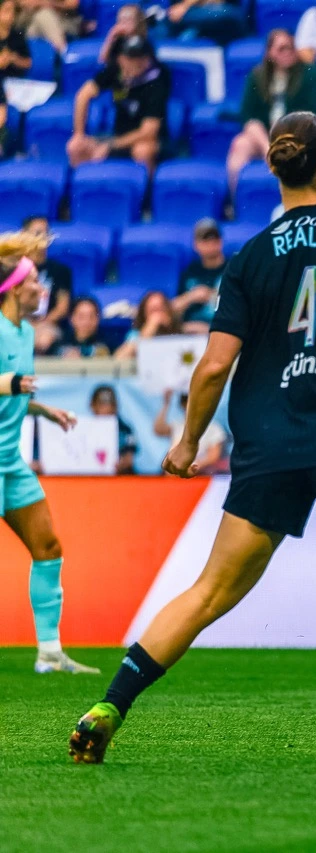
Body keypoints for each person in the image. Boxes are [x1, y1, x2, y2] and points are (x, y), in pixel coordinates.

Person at [69, 111, 316, 771]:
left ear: (276, 172)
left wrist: (187, 442)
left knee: (209, 590)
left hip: (267, 442)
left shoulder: (247, 257)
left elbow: (215, 364)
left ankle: (110, 703)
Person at [0, 232, 92, 674]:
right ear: (16, 288)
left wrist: (42, 409)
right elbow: (5, 383)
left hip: (9, 463)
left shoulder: (21, 331)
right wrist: (13, 385)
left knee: (48, 547)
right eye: (35, 281)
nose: (42, 289)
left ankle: (50, 653)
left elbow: (11, 391)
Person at [228, 30, 316, 199]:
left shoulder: (312, 74)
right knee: (241, 143)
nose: (287, 52)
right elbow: (247, 115)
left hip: (299, 135)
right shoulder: (257, 76)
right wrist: (267, 146)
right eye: (281, 49)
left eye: (290, 48)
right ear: (270, 52)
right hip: (266, 139)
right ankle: (233, 202)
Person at [67, 36, 170, 172]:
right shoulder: (115, 71)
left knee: (143, 150)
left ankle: (147, 191)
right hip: (117, 135)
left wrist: (110, 146)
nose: (136, 62)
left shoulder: (157, 81)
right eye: (130, 58)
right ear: (121, 59)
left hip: (146, 139)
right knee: (75, 146)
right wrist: (79, 134)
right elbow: (83, 95)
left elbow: (148, 131)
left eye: (141, 58)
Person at [21, 217, 72, 356]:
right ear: (24, 235)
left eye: (46, 233)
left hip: (48, 324)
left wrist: (42, 322)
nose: (43, 237)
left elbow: (62, 307)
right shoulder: (14, 269)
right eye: (37, 233)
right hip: (19, 322)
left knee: (43, 340)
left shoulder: (60, 270)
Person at [168, 219, 227, 334]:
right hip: (190, 333)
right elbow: (172, 309)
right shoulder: (190, 272)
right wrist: (191, 297)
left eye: (214, 238)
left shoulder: (233, 269)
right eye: (205, 239)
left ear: (221, 241)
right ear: (196, 244)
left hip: (222, 332)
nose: (211, 243)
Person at [152, 386, 226, 469]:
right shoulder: (178, 425)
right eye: (187, 402)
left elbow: (213, 456)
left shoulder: (213, 429)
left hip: (201, 477)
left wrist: (192, 467)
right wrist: (166, 403)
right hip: (175, 477)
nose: (190, 407)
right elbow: (158, 429)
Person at [115, 290, 182, 360]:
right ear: (144, 314)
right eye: (153, 310)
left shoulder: (178, 332)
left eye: (161, 309)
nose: (158, 315)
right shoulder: (135, 334)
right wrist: (150, 327)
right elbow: (119, 358)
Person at [88, 384, 139, 476]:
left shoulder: (125, 430)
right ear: (93, 406)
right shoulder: (86, 430)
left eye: (110, 404)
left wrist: (119, 465)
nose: (107, 408)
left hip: (120, 477)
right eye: (102, 404)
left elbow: (129, 459)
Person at [162, 0, 245, 45]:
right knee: (161, 26)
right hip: (195, 16)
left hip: (227, 13)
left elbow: (218, 2)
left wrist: (185, 6)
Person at [0, 0, 31, 87]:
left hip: (15, 83)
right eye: (6, 10)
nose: (10, 15)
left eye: (13, 12)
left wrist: (14, 58)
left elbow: (28, 63)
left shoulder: (17, 35)